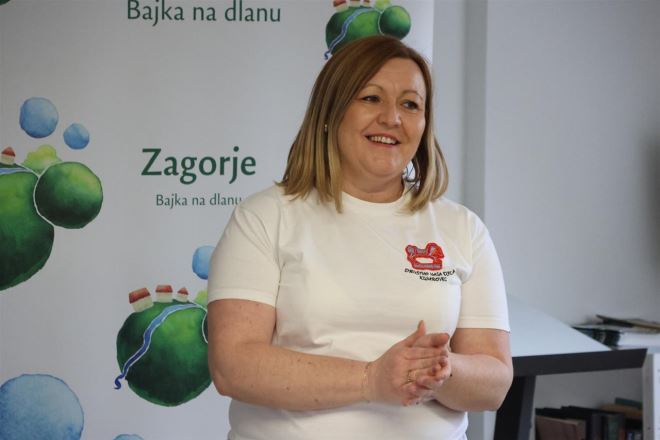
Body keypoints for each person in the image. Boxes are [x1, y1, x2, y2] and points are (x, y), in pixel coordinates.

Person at [207, 35, 513, 440]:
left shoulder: (463, 228)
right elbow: (233, 366)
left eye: (410, 104)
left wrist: (441, 370)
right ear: (331, 111)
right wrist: (371, 379)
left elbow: (495, 381)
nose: (392, 118)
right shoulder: (265, 217)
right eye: (371, 98)